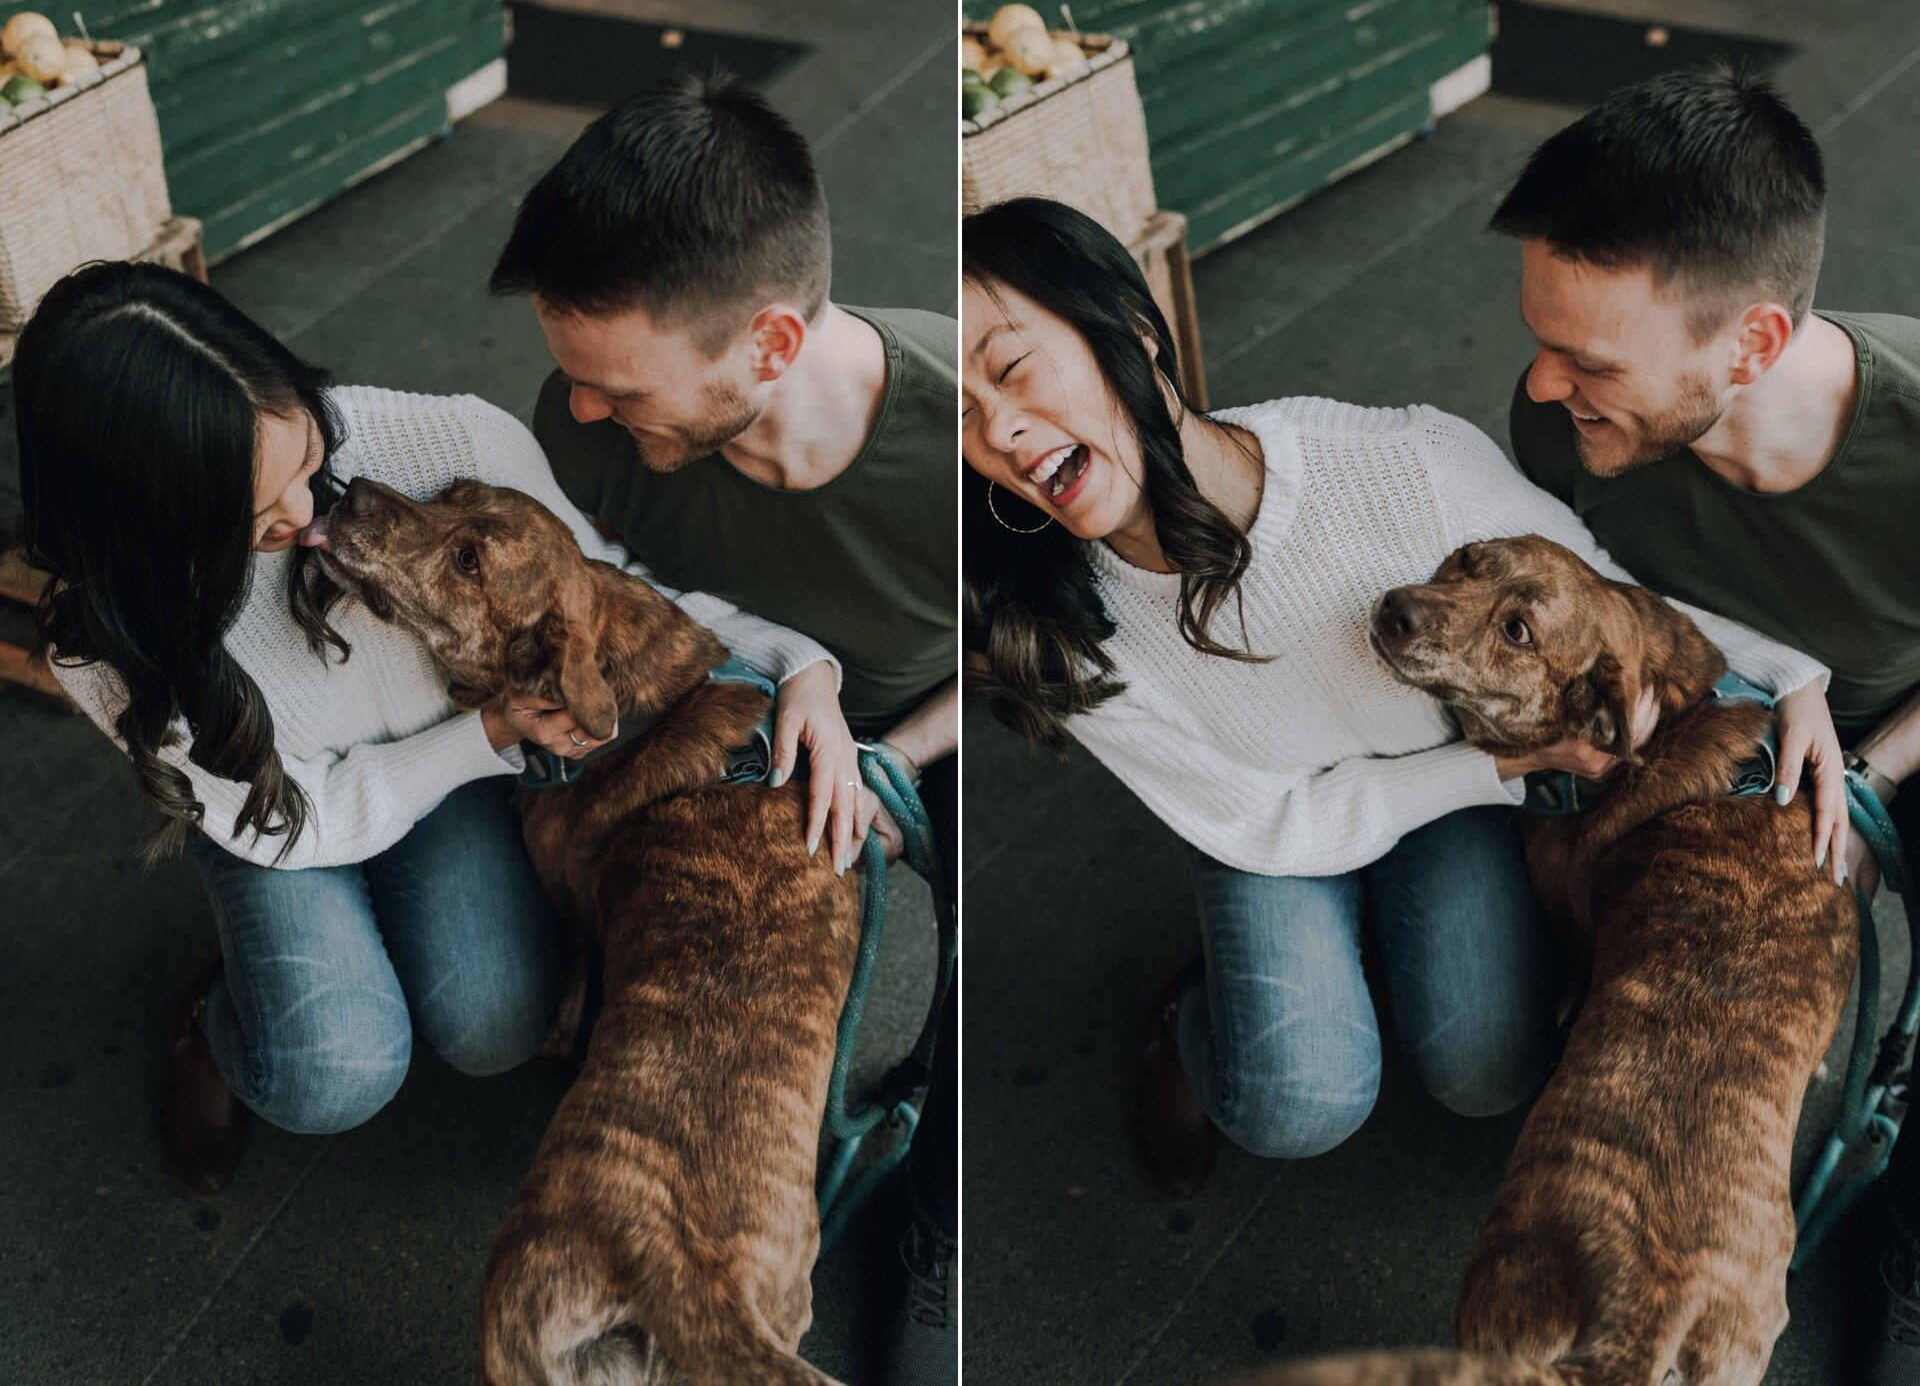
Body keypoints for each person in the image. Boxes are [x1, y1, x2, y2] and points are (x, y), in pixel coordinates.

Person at [960, 195, 1839, 1206]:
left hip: (1436, 785)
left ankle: (1358, 955)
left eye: (1013, 367)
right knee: (1297, 1099)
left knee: (1488, 1069)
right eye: (968, 417)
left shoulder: (1400, 464)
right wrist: (1501, 766)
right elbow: (1262, 816)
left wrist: (1786, 674)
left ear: (1131, 331)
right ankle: (1182, 1027)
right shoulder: (1047, 623)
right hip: (1271, 817)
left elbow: (1596, 590)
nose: (1005, 430)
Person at [13, 262, 851, 1197]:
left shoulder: (443, 439)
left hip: (449, 775)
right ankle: (214, 1018)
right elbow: (304, 818)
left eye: (304, 462)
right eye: (247, 520)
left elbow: (599, 584)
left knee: (495, 1025)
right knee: (327, 1074)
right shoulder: (105, 641)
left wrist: (796, 664)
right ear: (148, 531)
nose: (308, 515)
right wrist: (484, 732)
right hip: (284, 813)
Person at [487, 73, 959, 1384]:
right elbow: (613, 609)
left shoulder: (968, 430)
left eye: (616, 387)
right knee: (514, 977)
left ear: (767, 345)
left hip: (931, 722)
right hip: (711, 700)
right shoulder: (575, 429)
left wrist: (890, 760)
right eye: (571, 375)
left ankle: (941, 1225)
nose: (580, 412)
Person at [1490, 63, 1920, 1384]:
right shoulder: (1562, 426)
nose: (1546, 384)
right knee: (1482, 1050)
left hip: (1888, 737)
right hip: (1680, 755)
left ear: (1755, 345)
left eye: (1592, 357)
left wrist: (1864, 778)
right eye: (1543, 336)